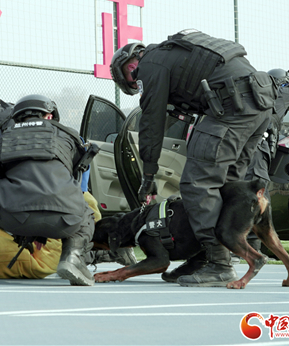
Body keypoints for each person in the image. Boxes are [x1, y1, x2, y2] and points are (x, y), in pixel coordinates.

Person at [110, 29, 276, 287]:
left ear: (133, 64)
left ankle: (219, 265)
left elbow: (152, 122)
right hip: (258, 102)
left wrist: (149, 174)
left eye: (131, 74)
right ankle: (205, 258)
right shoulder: (177, 52)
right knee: (226, 187)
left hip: (231, 104)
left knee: (197, 183)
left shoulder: (150, 64)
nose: (135, 79)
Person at [0, 88, 135, 268]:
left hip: (46, 189)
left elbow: (77, 157)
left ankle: (107, 252)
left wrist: (78, 192)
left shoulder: (17, 122)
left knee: (79, 218)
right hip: (14, 194)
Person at [0, 94, 97, 286]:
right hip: (65, 221)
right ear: (49, 116)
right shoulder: (69, 135)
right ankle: (73, 258)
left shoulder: (1, 139)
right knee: (85, 208)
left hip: (15, 219)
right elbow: (78, 174)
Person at [240, 60, 289, 253]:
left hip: (234, 154)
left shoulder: (248, 95)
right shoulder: (281, 93)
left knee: (238, 197)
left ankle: (236, 247)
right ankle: (252, 249)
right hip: (255, 155)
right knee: (257, 198)